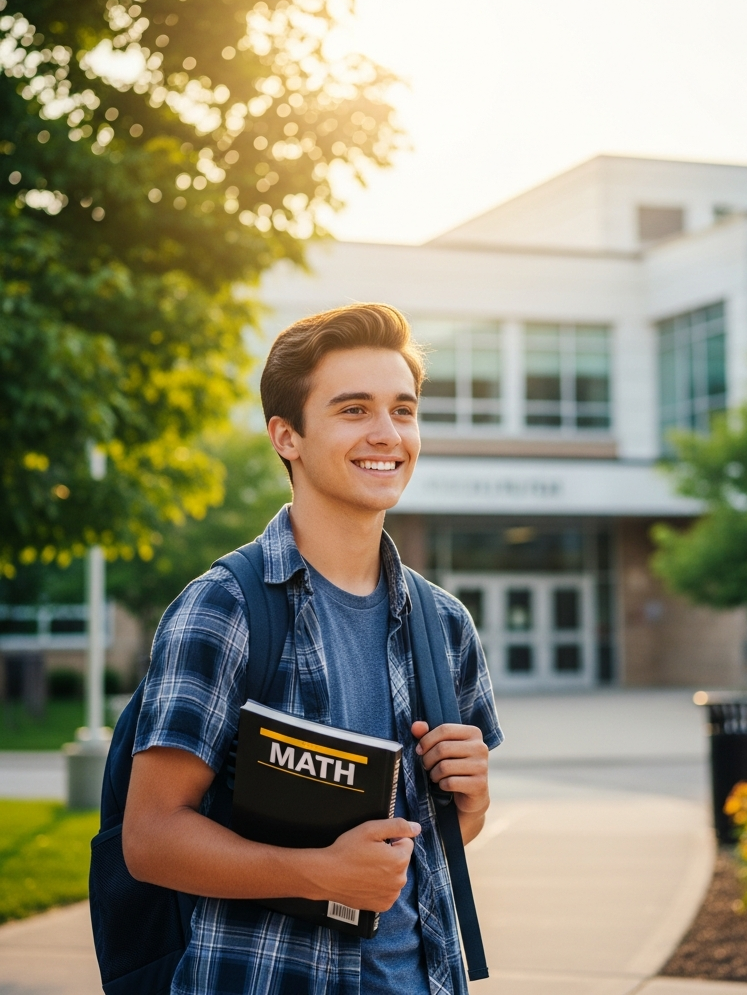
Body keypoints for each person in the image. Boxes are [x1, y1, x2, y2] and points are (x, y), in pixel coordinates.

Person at [122, 304, 502, 995]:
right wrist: (317, 873)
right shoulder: (224, 608)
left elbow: (431, 849)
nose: (387, 435)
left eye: (403, 410)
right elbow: (149, 840)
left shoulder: (444, 624)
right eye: (354, 410)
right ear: (287, 436)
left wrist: (470, 798)